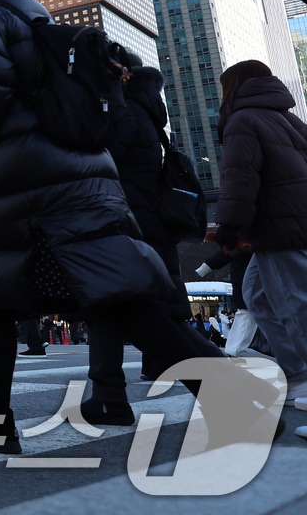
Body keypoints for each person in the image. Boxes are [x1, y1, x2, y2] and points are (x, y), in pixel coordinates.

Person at [0, 0, 274, 454]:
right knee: (116, 298)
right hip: (67, 181)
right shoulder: (34, 14)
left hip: (20, 187)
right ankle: (229, 393)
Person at [83, 54, 194, 423]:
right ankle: (108, 396)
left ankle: (234, 396)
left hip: (129, 223)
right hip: (143, 223)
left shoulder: (126, 112)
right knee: (115, 310)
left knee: (152, 317)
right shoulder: (145, 111)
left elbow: (101, 160)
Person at [213, 59, 307, 406]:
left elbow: (240, 177)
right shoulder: (290, 119)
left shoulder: (243, 120)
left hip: (278, 227)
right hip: (291, 223)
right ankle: (297, 375)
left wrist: (229, 224)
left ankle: (301, 374)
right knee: (258, 295)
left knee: (295, 303)